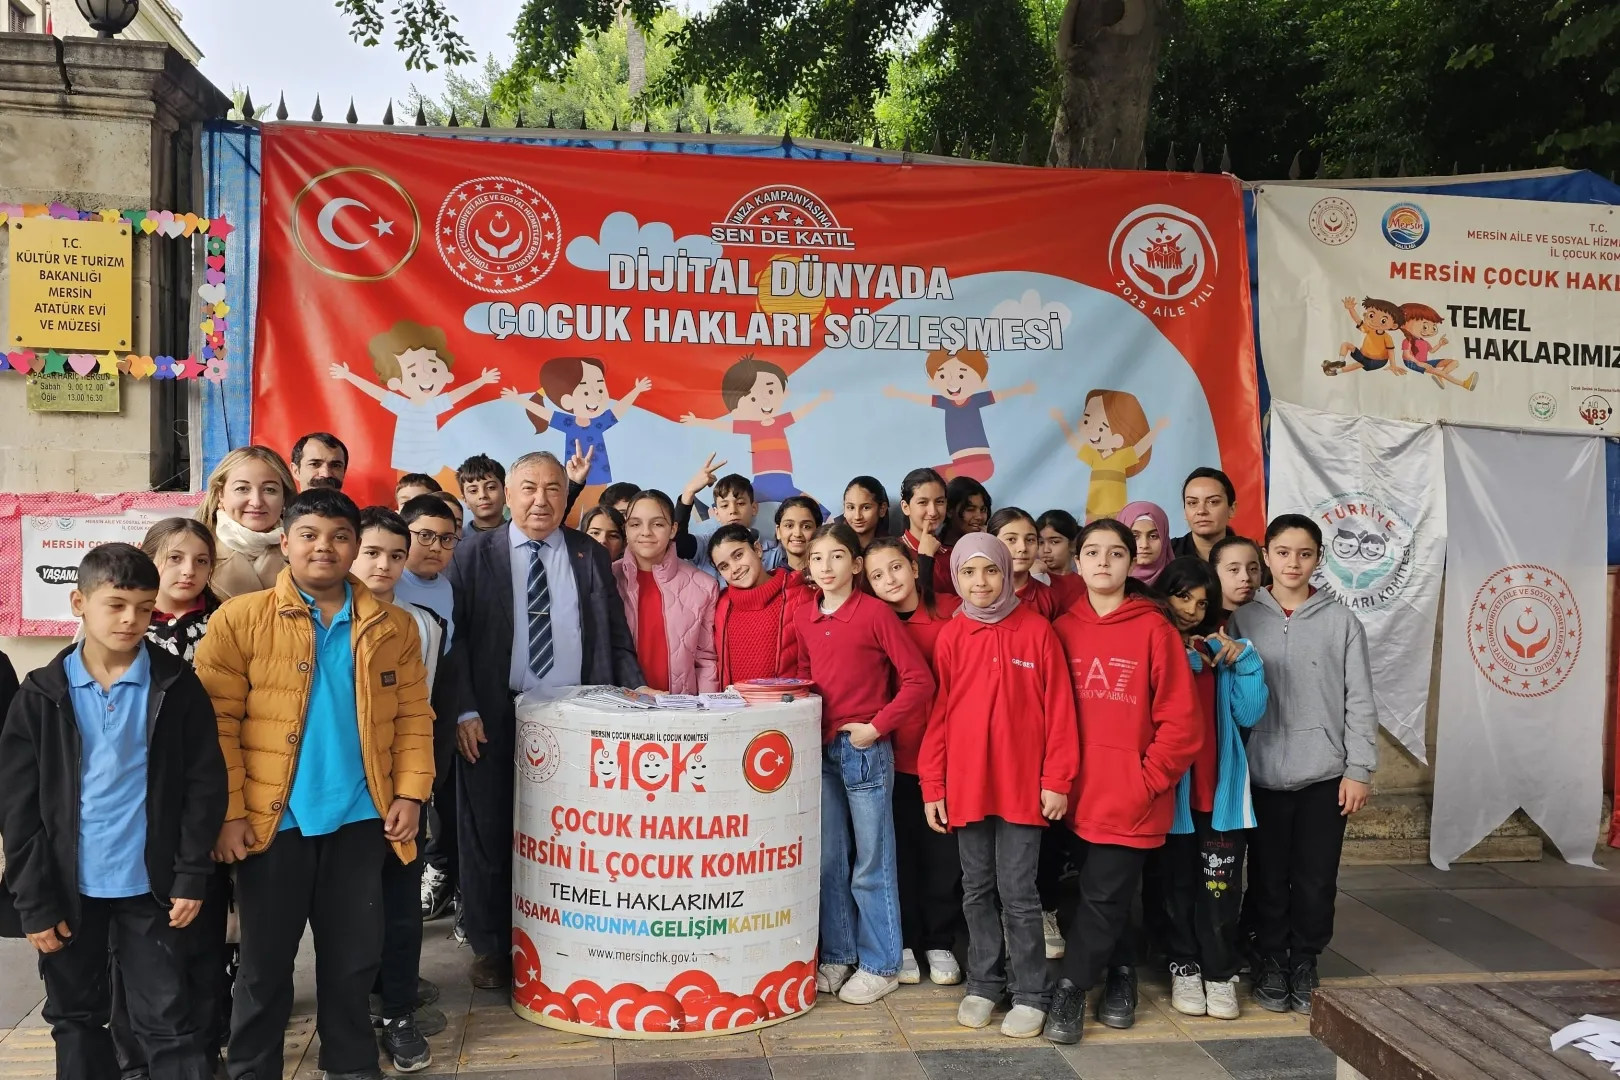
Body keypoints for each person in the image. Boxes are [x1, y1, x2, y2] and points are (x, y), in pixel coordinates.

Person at [194, 488, 434, 1080]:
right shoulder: (240, 619)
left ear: (354, 546)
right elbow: (215, 726)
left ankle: (350, 1064)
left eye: (339, 537)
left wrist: (410, 793)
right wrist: (228, 813)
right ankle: (253, 1069)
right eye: (309, 535)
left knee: (353, 959)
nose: (324, 547)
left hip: (361, 815)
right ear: (285, 542)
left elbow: (413, 715)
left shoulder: (394, 626)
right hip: (272, 819)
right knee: (264, 965)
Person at [0, 543, 227, 1080]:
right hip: (68, 890)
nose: (131, 619)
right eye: (116, 605)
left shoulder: (176, 685)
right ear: (79, 602)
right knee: (75, 1017)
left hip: (153, 889)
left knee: (169, 1018)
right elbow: (19, 810)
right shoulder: (41, 695)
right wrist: (34, 900)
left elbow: (204, 786)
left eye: (145, 608)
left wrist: (191, 873)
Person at [447, 452, 643, 988]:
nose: (541, 500)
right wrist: (464, 708)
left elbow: (613, 632)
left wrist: (632, 690)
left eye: (554, 488)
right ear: (508, 495)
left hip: (575, 716)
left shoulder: (588, 553)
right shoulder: (471, 553)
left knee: (571, 832)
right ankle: (491, 946)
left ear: (568, 496)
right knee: (487, 829)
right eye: (529, 488)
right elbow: (453, 639)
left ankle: (568, 937)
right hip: (492, 714)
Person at [1043, 519, 1202, 1045]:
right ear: (1078, 561)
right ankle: (1122, 972)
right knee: (1094, 893)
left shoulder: (1154, 629)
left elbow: (1181, 724)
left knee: (1104, 894)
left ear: (1132, 563)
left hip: (1132, 796)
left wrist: (1145, 782)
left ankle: (1071, 988)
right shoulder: (1062, 628)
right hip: (1072, 793)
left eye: (1116, 553)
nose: (1103, 562)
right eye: (1092, 552)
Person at [922, 535, 1078, 1039]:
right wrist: (933, 783)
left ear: (1008, 572)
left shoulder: (1036, 631)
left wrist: (1056, 780)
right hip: (967, 785)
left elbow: (1060, 712)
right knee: (976, 888)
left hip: (1022, 787)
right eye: (969, 572)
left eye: (991, 570)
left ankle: (1031, 991)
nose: (981, 582)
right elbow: (940, 714)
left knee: (1019, 891)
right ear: (956, 577)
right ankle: (984, 983)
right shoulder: (952, 635)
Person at [1228, 514, 1376, 1017]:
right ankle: (1271, 958)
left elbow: (1360, 700)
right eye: (1283, 552)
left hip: (1324, 775)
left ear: (1319, 559)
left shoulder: (1341, 622)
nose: (1294, 563)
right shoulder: (1243, 619)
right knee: (1267, 874)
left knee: (1316, 876)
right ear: (1266, 555)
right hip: (1260, 773)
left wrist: (1358, 768)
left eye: (1305, 553)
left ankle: (1305, 958)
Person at [796, 523, 934, 1006]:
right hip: (822, 752)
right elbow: (805, 677)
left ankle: (881, 963)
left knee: (872, 860)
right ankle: (839, 954)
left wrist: (876, 727)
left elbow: (919, 681)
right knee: (831, 860)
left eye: (837, 557)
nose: (826, 567)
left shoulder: (875, 613)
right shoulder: (804, 617)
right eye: (817, 558)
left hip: (865, 751)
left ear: (856, 565)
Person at [352, 507, 452, 1072]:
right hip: (339, 790)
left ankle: (398, 1009)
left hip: (402, 786)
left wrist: (414, 792)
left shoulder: (423, 625)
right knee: (346, 909)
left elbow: (419, 712)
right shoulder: (318, 620)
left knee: (399, 905)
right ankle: (350, 1011)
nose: (384, 565)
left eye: (395, 555)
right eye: (371, 552)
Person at [1154, 557, 1267, 1022]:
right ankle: (1184, 965)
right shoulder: (1156, 647)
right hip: (1172, 796)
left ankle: (1220, 973)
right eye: (1182, 597)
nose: (1191, 610)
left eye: (1202, 603)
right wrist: (1176, 663)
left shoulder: (1219, 651)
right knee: (1177, 888)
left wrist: (1248, 663)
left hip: (1218, 794)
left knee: (1220, 889)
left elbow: (1249, 713)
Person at [863, 536, 961, 989]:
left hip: (947, 758)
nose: (889, 580)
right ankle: (903, 940)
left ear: (915, 567)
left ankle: (940, 940)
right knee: (899, 855)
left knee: (944, 856)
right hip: (893, 757)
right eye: (877, 575)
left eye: (896, 567)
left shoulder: (952, 613)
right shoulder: (871, 621)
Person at [394, 495, 463, 928]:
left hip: (428, 718)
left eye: (447, 538)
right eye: (424, 536)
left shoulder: (447, 589)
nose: (436, 546)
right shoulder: (387, 581)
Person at [612, 490, 720, 695]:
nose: (646, 532)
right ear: (625, 529)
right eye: (635, 524)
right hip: (620, 707)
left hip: (680, 708)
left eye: (657, 524)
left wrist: (706, 709)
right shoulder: (608, 579)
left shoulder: (704, 586)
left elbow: (706, 660)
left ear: (673, 529)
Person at [710, 524, 814, 684]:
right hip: (734, 700)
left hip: (788, 699)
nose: (734, 568)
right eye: (724, 566)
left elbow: (814, 660)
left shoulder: (800, 595)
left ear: (757, 549)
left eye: (738, 555)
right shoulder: (722, 606)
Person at [197, 446, 296, 601]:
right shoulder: (194, 550)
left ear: (284, 497)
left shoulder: (302, 550)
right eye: (242, 488)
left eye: (269, 490)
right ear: (220, 494)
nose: (256, 502)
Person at [676, 458, 785, 580]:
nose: (733, 510)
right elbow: (678, 545)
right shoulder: (705, 545)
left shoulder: (773, 553)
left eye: (740, 503)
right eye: (724, 506)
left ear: (754, 508)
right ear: (716, 513)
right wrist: (688, 492)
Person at [988, 507, 1061, 619]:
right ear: (990, 544)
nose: (1022, 548)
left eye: (1030, 540)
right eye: (1011, 539)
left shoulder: (1049, 598)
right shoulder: (978, 592)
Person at [898, 467, 954, 597]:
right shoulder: (894, 553)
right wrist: (925, 557)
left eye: (939, 502)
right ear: (905, 507)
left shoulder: (953, 554)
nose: (933, 512)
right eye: (923, 502)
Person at [1172, 468, 1242, 561]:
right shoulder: (1166, 554)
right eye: (1192, 503)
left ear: (1232, 509)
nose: (1201, 511)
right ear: (1184, 511)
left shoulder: (1250, 555)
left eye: (1213, 502)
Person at [1035, 509, 1087, 614]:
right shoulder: (1032, 580)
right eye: (1041, 542)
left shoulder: (1086, 585)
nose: (1046, 550)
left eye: (1054, 542)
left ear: (1072, 545)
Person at [1210, 535, 1263, 626]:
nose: (1245, 577)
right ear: (1214, 573)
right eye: (1234, 569)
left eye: (1253, 569)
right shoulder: (1203, 623)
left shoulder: (1274, 619)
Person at [1121, 501, 1172, 587]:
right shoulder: (1106, 582)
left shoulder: (1179, 584)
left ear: (1164, 539)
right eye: (1135, 536)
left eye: (1153, 536)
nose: (1144, 545)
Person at [457, 455, 508, 536]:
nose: (482, 495)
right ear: (465, 500)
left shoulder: (523, 534)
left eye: (491, 487)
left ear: (506, 493)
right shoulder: (457, 539)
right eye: (473, 491)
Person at [774, 495, 823, 574]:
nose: (797, 534)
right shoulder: (771, 577)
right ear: (778, 531)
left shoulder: (827, 575)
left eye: (806, 527)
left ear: (818, 531)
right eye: (789, 526)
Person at [839, 476, 891, 550]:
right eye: (851, 507)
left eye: (866, 508)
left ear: (882, 509)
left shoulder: (892, 550)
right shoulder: (834, 545)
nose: (857, 516)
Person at [941, 476, 990, 545]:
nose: (979, 517)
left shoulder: (989, 544)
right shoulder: (932, 548)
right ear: (949, 511)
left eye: (983, 510)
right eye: (970, 509)